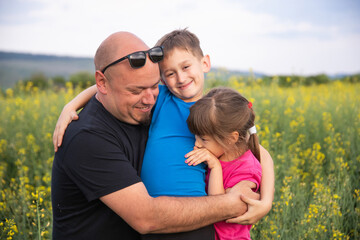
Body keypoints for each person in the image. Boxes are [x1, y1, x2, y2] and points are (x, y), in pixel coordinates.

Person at [52, 30, 274, 239]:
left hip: (195, 218)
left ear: (204, 63)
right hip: (159, 224)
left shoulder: (207, 112)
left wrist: (266, 200)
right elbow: (147, 218)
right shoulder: (93, 133)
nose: (149, 98)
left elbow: (249, 145)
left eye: (153, 87)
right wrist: (72, 104)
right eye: (137, 91)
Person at [185, 87, 262, 239]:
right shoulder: (220, 151)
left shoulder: (247, 169)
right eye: (195, 137)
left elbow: (219, 206)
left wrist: (215, 166)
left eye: (203, 139)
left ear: (231, 138)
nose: (197, 144)